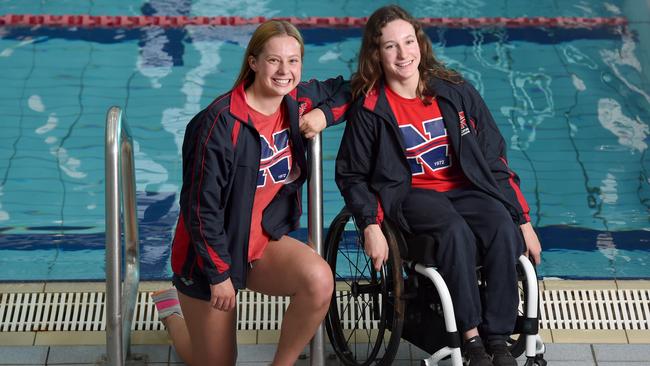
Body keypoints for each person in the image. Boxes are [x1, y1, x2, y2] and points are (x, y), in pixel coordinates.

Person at [334, 5, 542, 366]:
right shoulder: (371, 108)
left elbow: (494, 158)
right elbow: (352, 174)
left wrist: (522, 219)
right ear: (376, 54)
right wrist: (370, 224)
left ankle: (497, 337)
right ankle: (470, 336)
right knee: (454, 232)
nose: (403, 54)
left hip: (466, 189)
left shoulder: (453, 90)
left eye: (409, 42)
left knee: (499, 225)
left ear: (420, 43)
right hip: (410, 195)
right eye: (390, 46)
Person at [153, 19, 349, 366]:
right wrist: (219, 276)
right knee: (215, 362)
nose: (284, 71)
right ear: (254, 62)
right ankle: (171, 311)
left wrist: (323, 115)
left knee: (319, 281)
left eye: (293, 61)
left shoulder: (296, 101)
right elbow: (201, 208)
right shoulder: (218, 123)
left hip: (259, 244)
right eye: (274, 60)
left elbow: (351, 90)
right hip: (206, 259)